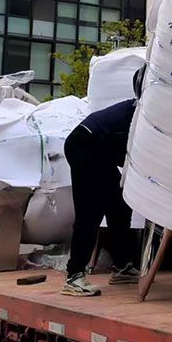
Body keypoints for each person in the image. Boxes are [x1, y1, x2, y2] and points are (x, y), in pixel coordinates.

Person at [61, 66, 145, 297]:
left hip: (99, 149)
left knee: (119, 206)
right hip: (84, 145)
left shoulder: (144, 113)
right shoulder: (141, 115)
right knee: (90, 212)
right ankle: (74, 276)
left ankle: (122, 266)